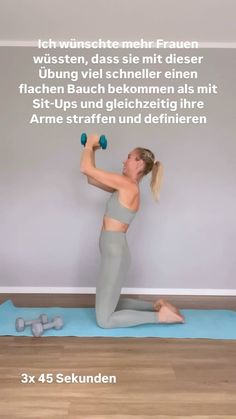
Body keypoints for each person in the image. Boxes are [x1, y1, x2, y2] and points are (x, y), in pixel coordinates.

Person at [80, 134, 185, 328]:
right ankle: (156, 306)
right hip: (114, 250)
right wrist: (92, 150)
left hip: (115, 252)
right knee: (108, 300)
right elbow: (91, 179)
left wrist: (88, 144)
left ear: (138, 164)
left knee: (104, 320)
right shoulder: (124, 187)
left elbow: (85, 168)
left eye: (129, 157)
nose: (124, 160)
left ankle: (161, 317)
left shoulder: (126, 184)